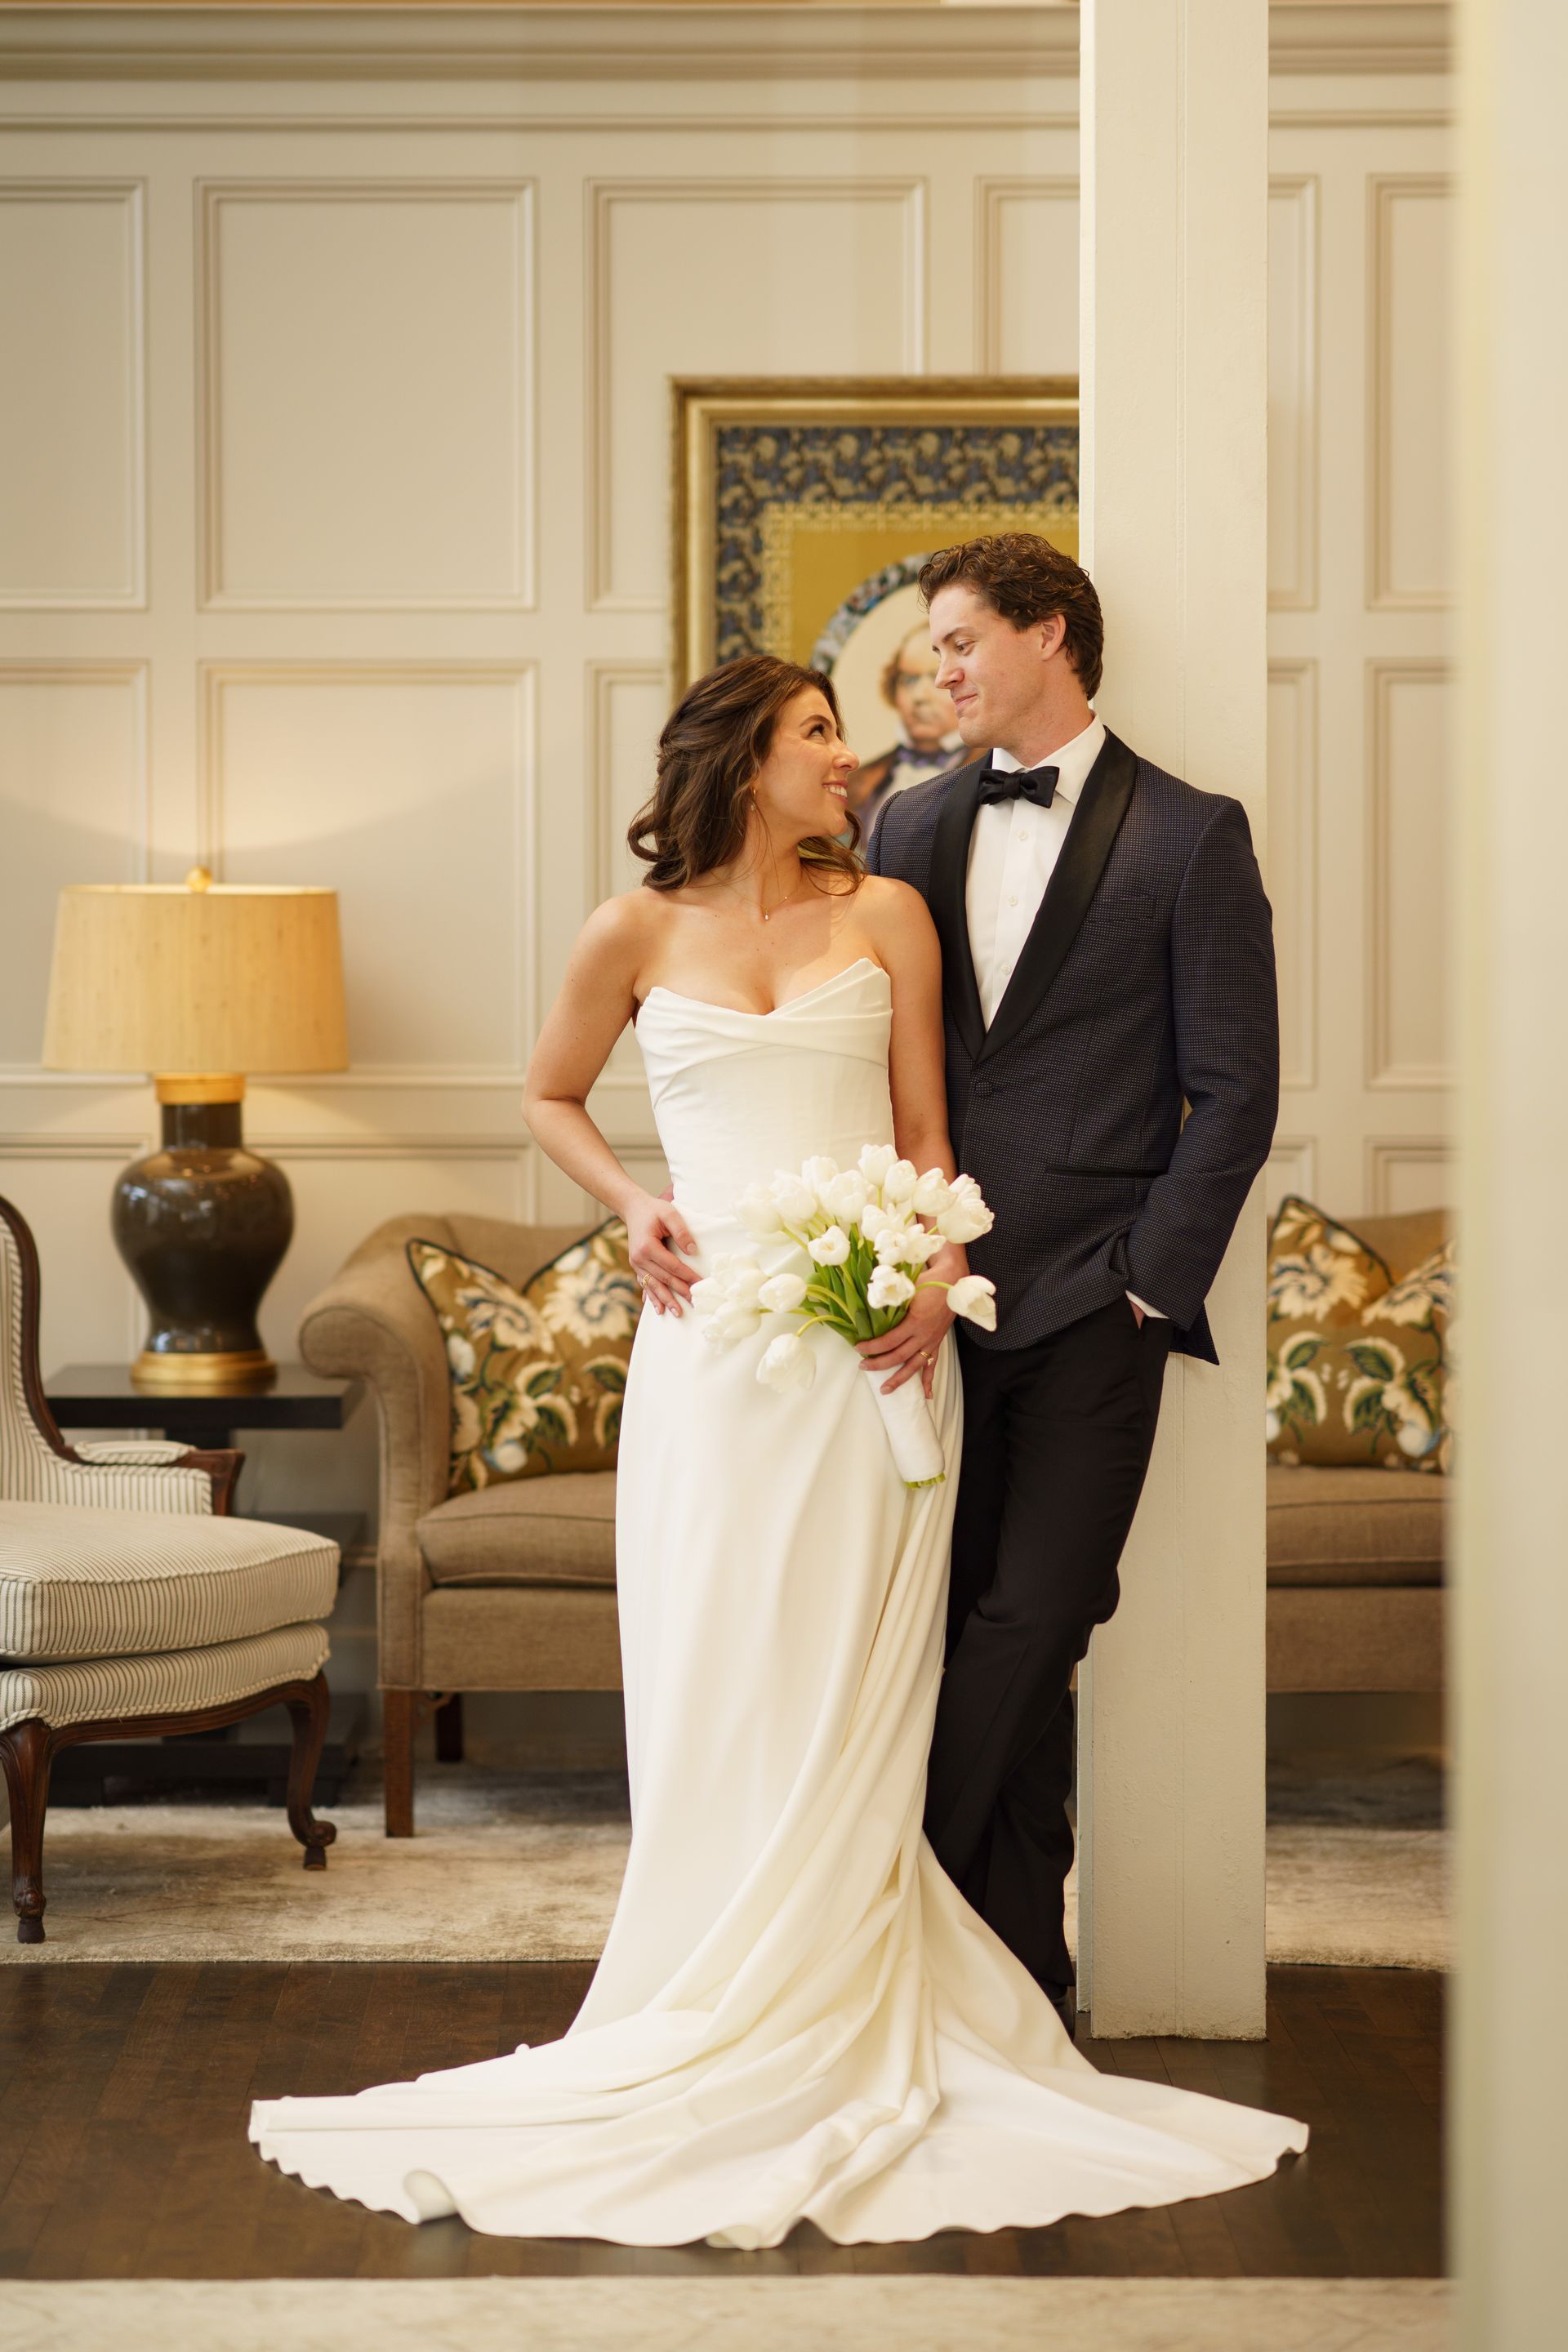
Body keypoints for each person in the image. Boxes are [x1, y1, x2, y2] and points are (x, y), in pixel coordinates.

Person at [249, 653, 1303, 2246]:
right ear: (749, 757)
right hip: (711, 1358)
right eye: (820, 731)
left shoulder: (886, 916)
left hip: (870, 1353)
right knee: (719, 1669)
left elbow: (931, 1140)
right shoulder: (634, 931)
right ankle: (709, 1984)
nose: (849, 755)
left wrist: (939, 1274)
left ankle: (854, 1980)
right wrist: (633, 1205)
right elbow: (546, 1094)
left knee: (858, 1675)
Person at [867, 532, 1280, 2027]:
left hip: (1095, 1303)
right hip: (923, 1309)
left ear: (1053, 637)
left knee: (1041, 1615)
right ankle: (1013, 1988)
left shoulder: (1189, 834)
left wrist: (1148, 1285)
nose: (941, 672)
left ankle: (871, 1883)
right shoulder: (903, 832)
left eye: (964, 643)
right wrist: (885, 1255)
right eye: (933, 651)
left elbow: (1235, 1089)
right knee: (967, 1622)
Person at [849, 622, 968, 840]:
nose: (920, 697)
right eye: (909, 681)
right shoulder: (860, 782)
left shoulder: (995, 775)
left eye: (935, 678)